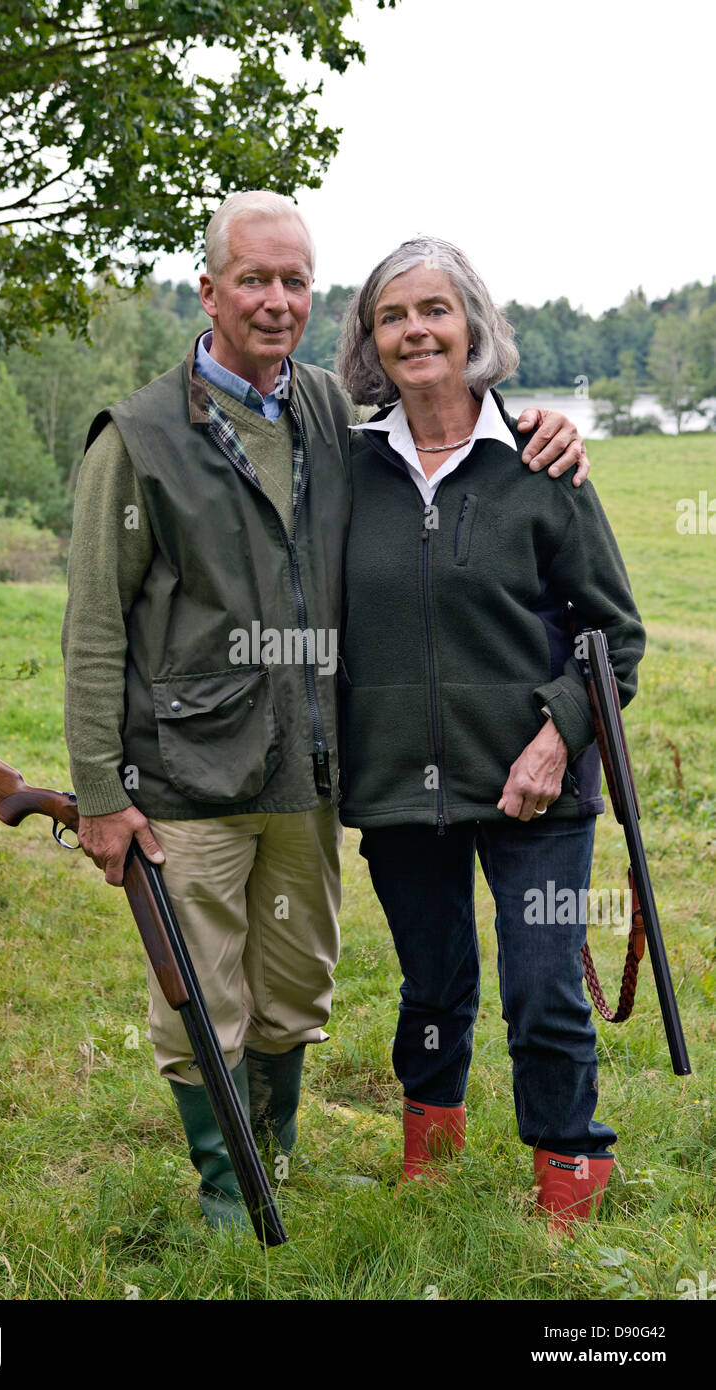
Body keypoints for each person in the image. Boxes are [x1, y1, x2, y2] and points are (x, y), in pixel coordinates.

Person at [61, 194, 588, 1231]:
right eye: (251, 280)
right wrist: (97, 790)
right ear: (207, 290)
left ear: (313, 296)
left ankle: (281, 1156)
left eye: (293, 281)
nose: (273, 300)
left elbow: (443, 420)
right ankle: (227, 1190)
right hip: (185, 775)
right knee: (202, 995)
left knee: (294, 984)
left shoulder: (320, 411)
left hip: (310, 770)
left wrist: (540, 426)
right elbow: (91, 628)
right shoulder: (137, 436)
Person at [334, 236, 646, 1233]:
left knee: (541, 982)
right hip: (396, 780)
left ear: (471, 324)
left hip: (536, 785)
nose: (415, 329)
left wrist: (556, 735)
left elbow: (614, 635)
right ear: (369, 341)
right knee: (429, 982)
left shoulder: (537, 463)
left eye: (434, 308)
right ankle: (431, 1136)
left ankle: (568, 1163)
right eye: (392, 315)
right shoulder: (346, 470)